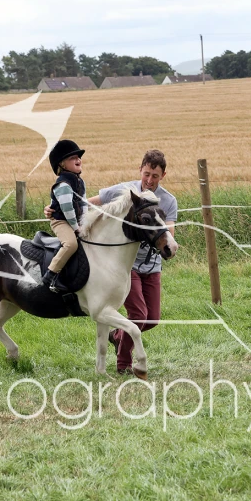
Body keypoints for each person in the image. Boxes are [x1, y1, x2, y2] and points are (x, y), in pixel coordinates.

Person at [44, 149, 178, 375]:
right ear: (140, 170)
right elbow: (88, 204)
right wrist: (55, 208)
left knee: (152, 319)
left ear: (163, 175)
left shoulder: (168, 200)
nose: (149, 180)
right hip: (125, 265)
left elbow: (168, 231)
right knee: (138, 316)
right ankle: (124, 364)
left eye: (155, 176)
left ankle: (116, 335)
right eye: (146, 174)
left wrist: (164, 240)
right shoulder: (124, 191)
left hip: (152, 265)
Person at [43, 139, 87, 293]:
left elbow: (84, 204)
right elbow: (67, 210)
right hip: (61, 221)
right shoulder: (63, 184)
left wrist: (85, 223)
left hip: (75, 221)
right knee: (71, 244)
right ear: (61, 164)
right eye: (72, 158)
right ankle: (51, 274)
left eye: (78, 157)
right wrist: (76, 228)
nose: (78, 160)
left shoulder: (79, 182)